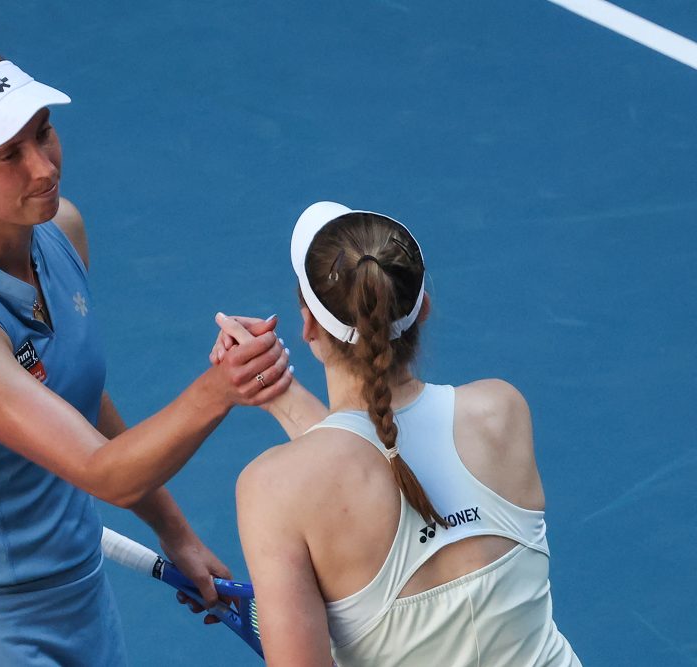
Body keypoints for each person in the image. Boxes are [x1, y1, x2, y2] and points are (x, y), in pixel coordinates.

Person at [0, 41, 292, 666]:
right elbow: (105, 473)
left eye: (44, 134)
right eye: (9, 156)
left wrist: (175, 533)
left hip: (83, 603)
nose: (43, 168)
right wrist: (221, 387)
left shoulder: (59, 229)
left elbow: (76, 394)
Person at [223, 202, 581, 665]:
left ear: (308, 326)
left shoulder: (273, 491)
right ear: (422, 309)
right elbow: (378, 455)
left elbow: (357, 465)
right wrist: (278, 393)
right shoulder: (501, 411)